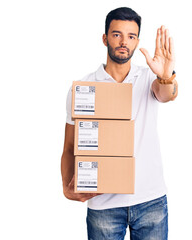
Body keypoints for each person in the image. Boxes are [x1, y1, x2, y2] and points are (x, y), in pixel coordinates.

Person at [61, 7, 178, 239]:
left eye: (131, 36)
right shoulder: (84, 87)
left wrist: (166, 76)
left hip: (150, 202)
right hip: (103, 204)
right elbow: (69, 147)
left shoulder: (148, 79)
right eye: (117, 34)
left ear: (137, 41)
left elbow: (167, 94)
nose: (124, 42)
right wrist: (66, 187)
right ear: (105, 38)